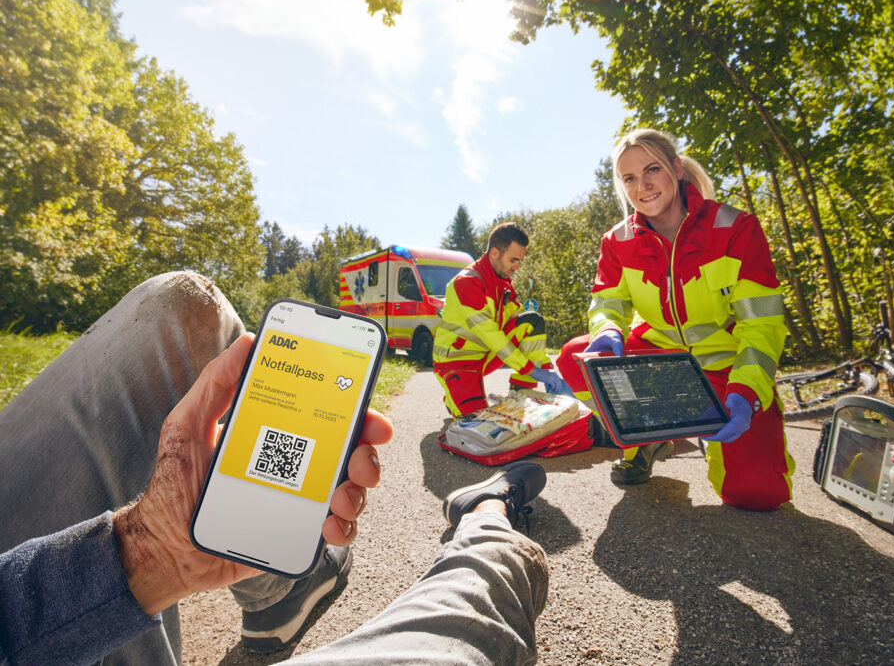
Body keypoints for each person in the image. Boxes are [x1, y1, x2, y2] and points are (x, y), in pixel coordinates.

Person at [0, 272, 549, 665]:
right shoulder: (472, 284)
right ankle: (487, 519)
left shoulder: (496, 283)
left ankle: (277, 588)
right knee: (464, 618)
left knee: (181, 305)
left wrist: (157, 553)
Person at [556, 128, 794, 511]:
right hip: (659, 365)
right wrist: (608, 328)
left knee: (758, 495)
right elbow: (607, 302)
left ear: (676, 168)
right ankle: (645, 436)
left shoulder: (736, 228)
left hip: (725, 371)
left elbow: (763, 324)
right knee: (575, 357)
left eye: (652, 170)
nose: (643, 186)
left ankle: (710, 426)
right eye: (629, 178)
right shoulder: (617, 241)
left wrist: (748, 391)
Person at [433, 222, 571, 417]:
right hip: (458, 362)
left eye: (519, 261)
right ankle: (453, 395)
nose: (516, 267)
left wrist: (546, 369)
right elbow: (491, 335)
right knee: (478, 423)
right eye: (513, 260)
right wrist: (532, 370)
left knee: (532, 321)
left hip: (486, 356)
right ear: (495, 253)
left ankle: (521, 395)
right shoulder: (467, 283)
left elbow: (519, 330)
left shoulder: (503, 285)